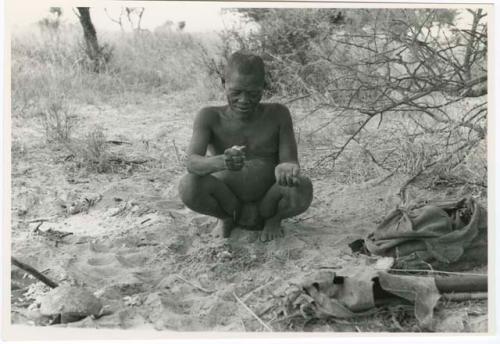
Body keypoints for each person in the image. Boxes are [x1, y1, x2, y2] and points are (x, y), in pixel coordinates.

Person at [178, 51, 313, 242]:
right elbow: (192, 163)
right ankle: (225, 218)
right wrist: (222, 162)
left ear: (264, 87)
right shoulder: (209, 116)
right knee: (188, 185)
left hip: (269, 201)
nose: (243, 100)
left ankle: (274, 220)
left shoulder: (278, 114)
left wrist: (287, 168)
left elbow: (290, 161)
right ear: (224, 84)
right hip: (228, 201)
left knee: (303, 186)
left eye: (252, 93)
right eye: (236, 92)